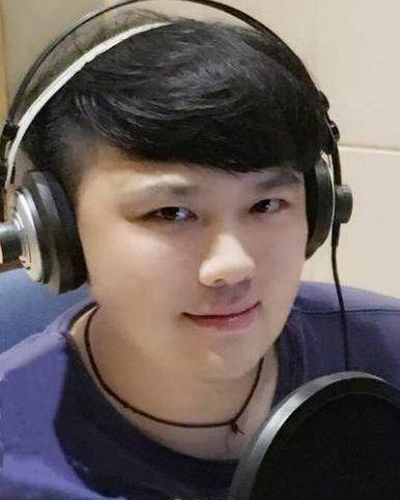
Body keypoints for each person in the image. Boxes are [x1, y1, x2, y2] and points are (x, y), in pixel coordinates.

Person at [0, 5, 400, 500]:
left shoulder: (387, 356)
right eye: (170, 213)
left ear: (319, 210)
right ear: (54, 233)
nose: (232, 265)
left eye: (266, 205)